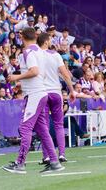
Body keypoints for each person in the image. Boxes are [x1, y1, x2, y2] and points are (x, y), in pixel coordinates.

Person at [2, 28, 64, 174]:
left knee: (25, 128)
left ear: (22, 37)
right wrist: (22, 82)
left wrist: (16, 78)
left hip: (34, 94)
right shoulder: (40, 51)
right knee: (42, 129)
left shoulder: (28, 52)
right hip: (41, 91)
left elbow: (34, 71)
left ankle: (20, 163)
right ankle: (54, 162)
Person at [37, 33, 76, 165]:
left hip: (42, 92)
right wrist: (71, 90)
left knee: (44, 126)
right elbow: (65, 74)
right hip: (55, 92)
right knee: (59, 124)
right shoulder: (55, 55)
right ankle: (62, 154)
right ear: (46, 42)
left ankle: (46, 156)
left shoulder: (35, 55)